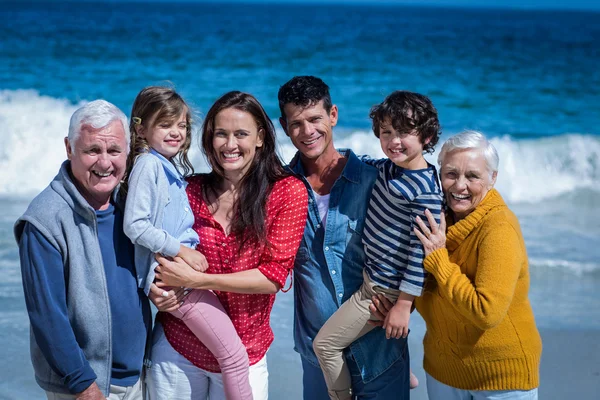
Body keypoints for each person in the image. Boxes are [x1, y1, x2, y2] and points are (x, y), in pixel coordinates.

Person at [146, 91, 308, 400]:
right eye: (221, 134)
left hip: (246, 354)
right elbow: (150, 246)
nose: (230, 145)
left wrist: (199, 281)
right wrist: (155, 289)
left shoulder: (286, 192)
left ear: (260, 137)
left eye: (241, 134)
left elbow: (272, 277)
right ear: (209, 138)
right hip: (179, 347)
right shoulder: (187, 190)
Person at [14, 100, 173, 399]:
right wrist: (84, 386)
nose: (104, 163)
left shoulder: (130, 208)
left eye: (114, 151)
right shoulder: (45, 219)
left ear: (128, 150)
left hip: (138, 378)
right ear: (69, 149)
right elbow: (48, 316)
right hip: (85, 388)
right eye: (92, 151)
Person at [373, 130, 542, 399]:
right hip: (443, 369)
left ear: (493, 178)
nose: (459, 186)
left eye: (472, 176)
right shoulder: (435, 217)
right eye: (451, 174)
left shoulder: (498, 228)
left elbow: (486, 312)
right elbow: (429, 286)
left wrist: (439, 259)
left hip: (500, 377)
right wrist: (400, 306)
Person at [278, 76, 412, 400]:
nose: (307, 131)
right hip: (318, 362)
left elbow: (413, 244)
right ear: (284, 127)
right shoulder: (279, 190)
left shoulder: (375, 178)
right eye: (296, 123)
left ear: (333, 115)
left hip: (380, 354)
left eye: (315, 119)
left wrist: (407, 304)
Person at [311, 90, 443, 400]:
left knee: (325, 345)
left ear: (426, 136)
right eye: (387, 132)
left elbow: (418, 253)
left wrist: (403, 305)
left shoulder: (425, 191)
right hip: (372, 276)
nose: (394, 141)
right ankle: (402, 369)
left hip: (385, 291)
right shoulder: (389, 169)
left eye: (404, 132)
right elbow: (366, 163)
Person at [122, 86, 252, 400]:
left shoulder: (165, 167)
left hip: (180, 277)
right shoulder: (148, 165)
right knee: (234, 358)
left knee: (231, 357)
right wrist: (180, 250)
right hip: (177, 279)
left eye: (181, 125)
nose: (176, 132)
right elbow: (134, 225)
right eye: (165, 124)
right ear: (141, 128)